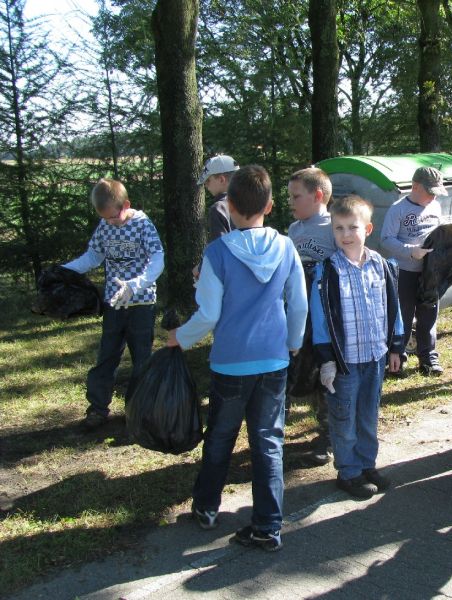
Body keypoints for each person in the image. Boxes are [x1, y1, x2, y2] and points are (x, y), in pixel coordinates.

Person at [168, 165, 307, 552]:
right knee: (269, 442)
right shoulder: (286, 247)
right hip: (274, 360)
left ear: (228, 205)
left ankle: (206, 508)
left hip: (230, 363)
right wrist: (293, 343)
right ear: (270, 205)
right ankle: (268, 525)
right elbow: (298, 304)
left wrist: (180, 338)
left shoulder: (217, 253)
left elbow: (208, 314)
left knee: (220, 436)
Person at [310, 195, 404, 499]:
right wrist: (326, 359)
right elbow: (320, 319)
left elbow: (393, 308)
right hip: (344, 362)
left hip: (375, 357)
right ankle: (348, 472)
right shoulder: (326, 272)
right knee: (343, 417)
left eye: (352, 227)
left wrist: (396, 346)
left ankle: (367, 464)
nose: (346, 234)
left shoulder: (382, 265)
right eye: (339, 228)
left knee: (367, 415)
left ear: (368, 228)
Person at [62, 178, 164, 430]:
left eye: (113, 217)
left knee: (142, 359)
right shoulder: (105, 226)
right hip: (114, 303)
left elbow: (158, 259)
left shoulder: (143, 224)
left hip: (141, 303)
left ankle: (139, 411)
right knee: (107, 355)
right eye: (105, 219)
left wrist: (136, 284)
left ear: (125, 205)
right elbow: (93, 256)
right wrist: (64, 270)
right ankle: (97, 409)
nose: (111, 222)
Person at [287, 167, 337, 465]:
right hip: (298, 313)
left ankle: (328, 435)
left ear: (318, 196)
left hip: (325, 316)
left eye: (296, 196)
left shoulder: (334, 226)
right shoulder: (294, 230)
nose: (290, 202)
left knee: (325, 371)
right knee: (297, 365)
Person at [380, 166, 446, 376]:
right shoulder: (398, 209)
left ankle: (428, 358)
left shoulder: (435, 206)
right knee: (403, 316)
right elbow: (386, 239)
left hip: (429, 273)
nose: (434, 196)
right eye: (430, 192)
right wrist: (411, 251)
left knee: (428, 314)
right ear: (415, 186)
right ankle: (397, 358)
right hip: (405, 272)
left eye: (437, 192)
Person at [197, 154, 239, 241]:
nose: (205, 185)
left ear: (221, 180)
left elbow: (220, 247)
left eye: (208, 180)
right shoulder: (251, 201)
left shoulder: (219, 209)